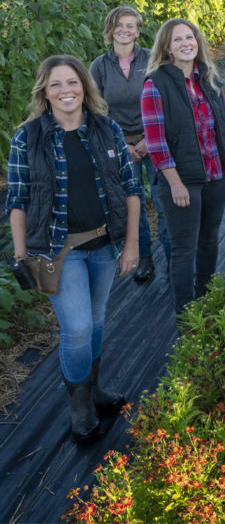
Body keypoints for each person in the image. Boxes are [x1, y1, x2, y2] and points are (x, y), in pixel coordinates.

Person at [7, 55, 141, 443]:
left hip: (103, 245)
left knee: (97, 319)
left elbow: (132, 189)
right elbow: (16, 201)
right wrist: (21, 256)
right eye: (55, 85)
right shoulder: (27, 137)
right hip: (56, 251)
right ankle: (79, 403)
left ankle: (94, 388)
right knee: (78, 328)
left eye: (72, 83)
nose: (65, 91)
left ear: (85, 87)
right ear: (44, 93)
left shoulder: (107, 129)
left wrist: (130, 243)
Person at [141, 19, 225, 315]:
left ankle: (206, 300)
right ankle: (186, 316)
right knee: (184, 248)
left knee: (209, 240)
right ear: (167, 47)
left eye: (190, 37)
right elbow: (156, 143)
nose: (186, 43)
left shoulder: (209, 79)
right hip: (184, 180)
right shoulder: (155, 84)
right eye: (178, 40)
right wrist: (174, 183)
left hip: (216, 174)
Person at [89, 5, 169, 283]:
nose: (124, 30)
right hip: (120, 144)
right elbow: (97, 108)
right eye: (119, 25)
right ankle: (145, 255)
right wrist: (123, 142)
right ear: (110, 30)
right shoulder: (99, 66)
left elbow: (163, 99)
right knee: (131, 200)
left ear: (138, 30)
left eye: (130, 25)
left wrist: (148, 140)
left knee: (163, 198)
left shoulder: (151, 59)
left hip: (154, 140)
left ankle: (172, 257)